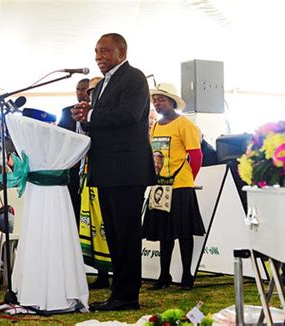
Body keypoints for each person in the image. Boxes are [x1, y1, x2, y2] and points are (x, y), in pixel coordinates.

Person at [72, 33, 156, 311]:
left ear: (121, 51)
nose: (98, 56)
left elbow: (129, 115)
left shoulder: (134, 77)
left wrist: (92, 115)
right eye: (96, 51)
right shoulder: (104, 83)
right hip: (107, 169)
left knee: (127, 234)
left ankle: (128, 296)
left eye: (105, 51)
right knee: (115, 235)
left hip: (126, 170)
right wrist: (85, 118)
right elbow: (103, 122)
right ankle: (117, 293)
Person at [142, 83, 205, 290]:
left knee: (184, 233)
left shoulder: (185, 125)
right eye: (155, 100)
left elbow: (196, 156)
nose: (157, 103)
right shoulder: (156, 126)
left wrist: (189, 179)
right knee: (164, 233)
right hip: (160, 186)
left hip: (180, 186)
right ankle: (164, 275)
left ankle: (187, 275)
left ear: (172, 102)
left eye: (161, 99)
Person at [78, 76, 111, 290]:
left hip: (107, 176)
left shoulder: (106, 114)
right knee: (91, 228)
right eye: (89, 92)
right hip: (88, 176)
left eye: (93, 91)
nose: (90, 95)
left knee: (106, 228)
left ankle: (114, 273)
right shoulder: (84, 116)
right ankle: (101, 273)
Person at [58, 78, 90, 225]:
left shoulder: (96, 112)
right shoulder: (66, 112)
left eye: (84, 89)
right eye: (78, 89)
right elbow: (59, 136)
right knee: (72, 208)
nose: (80, 93)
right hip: (71, 168)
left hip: (90, 167)